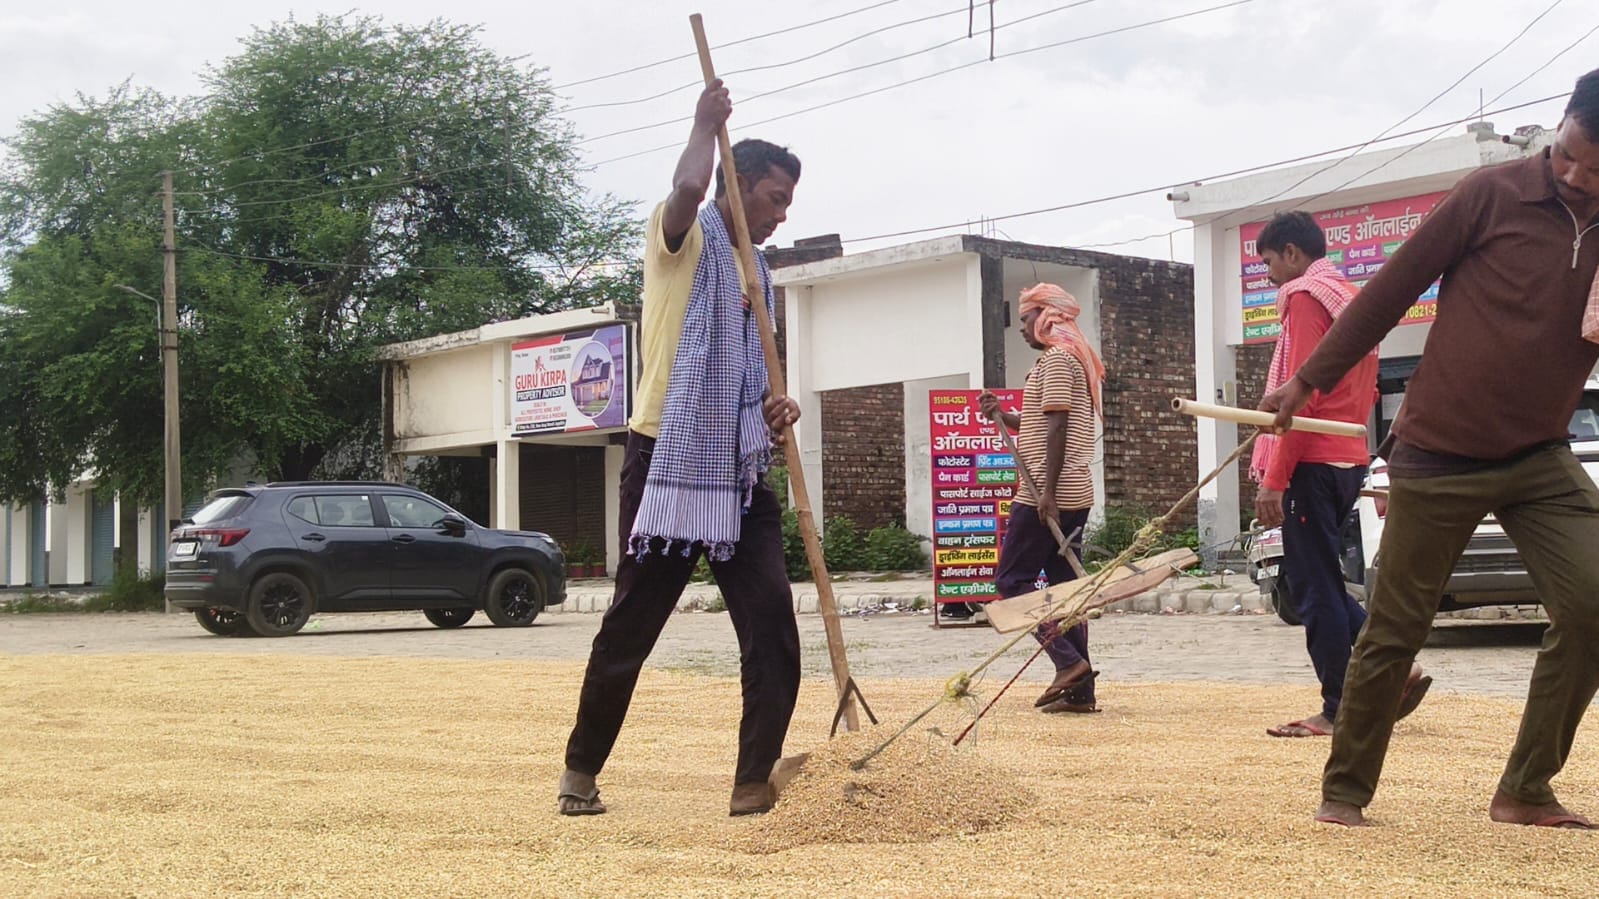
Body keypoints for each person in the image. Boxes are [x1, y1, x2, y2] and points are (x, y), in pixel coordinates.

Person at [1261, 67, 1599, 829]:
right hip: (1437, 453)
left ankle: (1525, 788)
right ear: (1561, 125)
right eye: (1569, 153)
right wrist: (1304, 384)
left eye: (1596, 169)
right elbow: (1386, 292)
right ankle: (1343, 794)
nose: (1576, 176)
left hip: (1538, 455)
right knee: (1393, 630)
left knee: (1592, 604)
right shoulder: (1491, 195)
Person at [557, 79, 804, 818]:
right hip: (664, 459)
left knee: (771, 627)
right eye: (771, 196)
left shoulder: (759, 274)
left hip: (735, 471)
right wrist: (704, 122)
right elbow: (688, 187)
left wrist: (774, 407)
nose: (781, 213)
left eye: (789, 202)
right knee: (632, 624)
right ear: (735, 184)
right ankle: (579, 770)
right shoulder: (682, 241)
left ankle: (751, 781)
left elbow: (754, 374)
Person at [1248, 212, 1430, 740]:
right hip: (1347, 455)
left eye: (1269, 263)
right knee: (1322, 580)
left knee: (1313, 588)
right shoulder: (1350, 299)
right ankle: (1398, 670)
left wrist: (1274, 478)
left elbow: (1304, 395)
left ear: (1291, 253)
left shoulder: (1307, 299)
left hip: (1312, 458)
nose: (1269, 276)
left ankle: (1337, 706)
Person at [980, 283, 1105, 714]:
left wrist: (1046, 494)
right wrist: (1003, 415)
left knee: (1011, 581)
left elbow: (1056, 431)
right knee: (1065, 588)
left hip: (1044, 494)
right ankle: (1081, 691)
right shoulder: (1070, 360)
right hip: (1074, 491)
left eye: (1026, 319)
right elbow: (1038, 422)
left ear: (1047, 317)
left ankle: (1068, 664)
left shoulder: (1056, 360)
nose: (1022, 329)